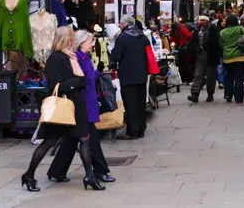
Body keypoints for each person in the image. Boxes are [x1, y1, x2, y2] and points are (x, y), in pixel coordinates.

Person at [21, 27, 104, 192]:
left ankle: (90, 177)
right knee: (49, 142)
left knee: (84, 138)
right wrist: (75, 81)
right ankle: (29, 174)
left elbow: (83, 78)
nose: (73, 40)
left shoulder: (71, 56)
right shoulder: (55, 59)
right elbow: (55, 85)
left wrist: (75, 69)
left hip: (77, 105)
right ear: (64, 39)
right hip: (63, 105)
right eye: (70, 37)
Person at [48, 30, 115, 184]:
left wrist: (98, 72)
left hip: (88, 101)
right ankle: (100, 171)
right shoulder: (76, 58)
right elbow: (78, 79)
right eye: (90, 41)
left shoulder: (84, 58)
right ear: (82, 42)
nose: (92, 44)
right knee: (92, 139)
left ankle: (57, 171)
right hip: (81, 103)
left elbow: (89, 77)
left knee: (72, 139)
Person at [110, 15, 149, 140]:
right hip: (142, 74)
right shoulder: (142, 36)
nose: (119, 26)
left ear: (123, 24)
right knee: (140, 102)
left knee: (130, 102)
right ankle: (141, 127)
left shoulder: (122, 38)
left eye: (120, 24)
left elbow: (116, 56)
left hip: (128, 75)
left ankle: (133, 130)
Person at [187, 15, 221, 103]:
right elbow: (192, 41)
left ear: (206, 21)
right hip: (199, 56)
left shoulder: (212, 29)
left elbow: (216, 42)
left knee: (210, 76)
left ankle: (210, 94)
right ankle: (195, 94)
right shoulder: (196, 30)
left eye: (203, 20)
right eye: (200, 20)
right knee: (198, 74)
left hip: (210, 56)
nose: (201, 22)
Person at [220, 14, 244, 103]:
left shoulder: (223, 32)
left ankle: (228, 95)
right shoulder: (240, 29)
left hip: (227, 57)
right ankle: (239, 98)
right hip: (240, 57)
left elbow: (220, 45)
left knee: (229, 77)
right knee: (239, 77)